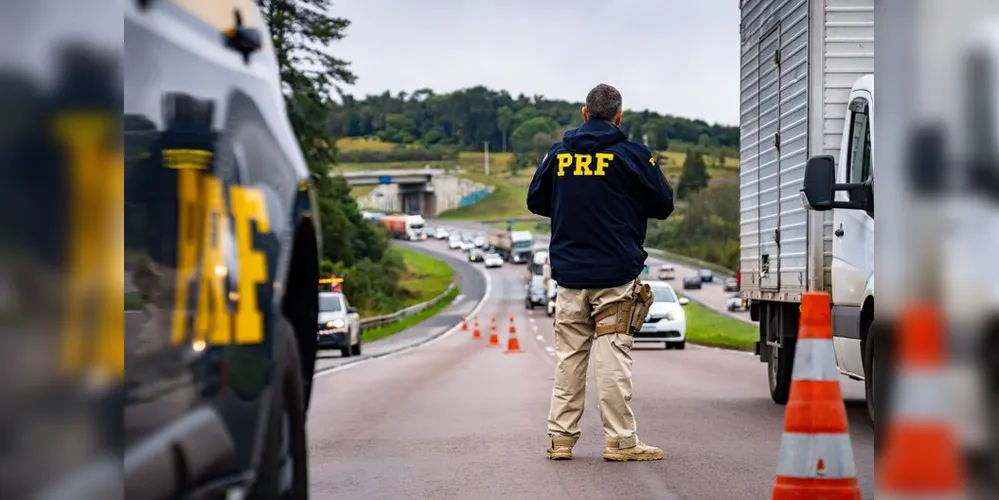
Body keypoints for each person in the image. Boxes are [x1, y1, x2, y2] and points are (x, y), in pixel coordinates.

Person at [527, 83, 674, 462]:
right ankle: (621, 442)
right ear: (618, 116)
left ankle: (560, 440)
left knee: (569, 359)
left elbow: (535, 199)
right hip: (615, 275)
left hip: (570, 277)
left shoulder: (558, 154)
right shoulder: (632, 155)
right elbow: (663, 204)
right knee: (612, 360)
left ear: (584, 113)